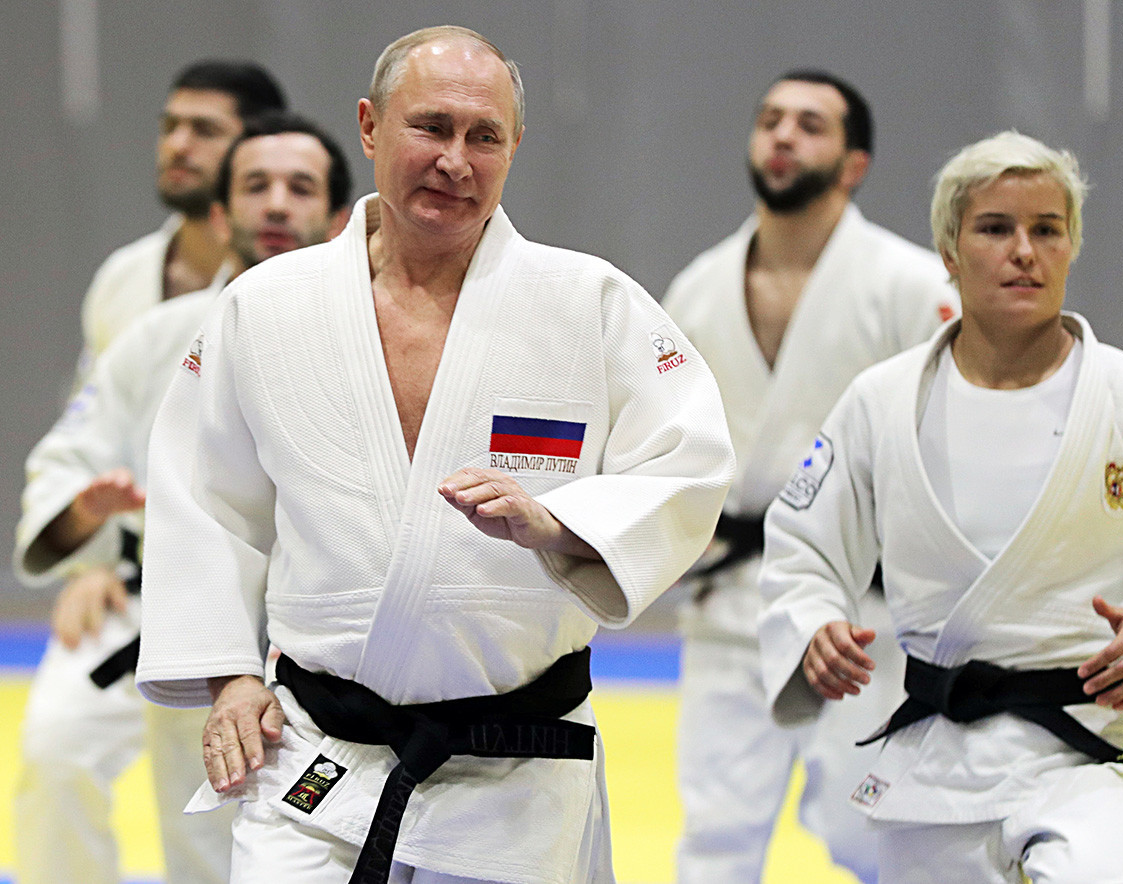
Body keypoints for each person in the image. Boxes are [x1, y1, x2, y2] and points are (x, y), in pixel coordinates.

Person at [134, 25, 735, 884]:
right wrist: (230, 676)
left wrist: (561, 520)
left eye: (484, 136)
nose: (456, 159)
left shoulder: (588, 302)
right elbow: (203, 495)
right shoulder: (264, 306)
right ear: (371, 127)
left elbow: (692, 461)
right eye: (432, 127)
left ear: (515, 147)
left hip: (515, 769)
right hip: (316, 755)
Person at [758, 130, 1123, 883]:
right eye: (996, 228)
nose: (1023, 250)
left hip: (1084, 749)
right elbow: (803, 547)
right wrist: (814, 627)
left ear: (1071, 248)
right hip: (938, 756)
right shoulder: (881, 402)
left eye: (1047, 230)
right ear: (950, 253)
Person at [12, 112, 352, 884]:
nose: (275, 204)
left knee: (245, 825)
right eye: (254, 187)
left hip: (302, 622)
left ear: (338, 219)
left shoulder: (376, 343)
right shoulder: (158, 337)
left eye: (299, 188)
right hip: (151, 597)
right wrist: (85, 529)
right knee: (56, 752)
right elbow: (70, 455)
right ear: (220, 213)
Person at [663, 70, 957, 884]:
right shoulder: (697, 288)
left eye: (809, 125)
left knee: (867, 828)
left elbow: (953, 444)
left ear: (853, 162)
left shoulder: (910, 286)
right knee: (715, 836)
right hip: (730, 605)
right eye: (769, 120)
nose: (783, 136)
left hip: (864, 609)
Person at [76, 59, 287, 381]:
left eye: (205, 130)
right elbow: (91, 416)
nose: (177, 146)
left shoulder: (289, 277)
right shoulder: (122, 275)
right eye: (170, 127)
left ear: (260, 147)